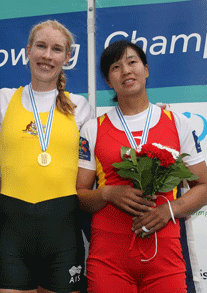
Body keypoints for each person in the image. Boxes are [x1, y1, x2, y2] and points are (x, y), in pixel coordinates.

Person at [76, 40, 207, 293]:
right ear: (108, 80)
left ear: (146, 70)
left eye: (132, 62)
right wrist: (107, 193)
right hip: (109, 261)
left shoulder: (177, 122)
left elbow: (203, 185)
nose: (126, 70)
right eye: (116, 66)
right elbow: (79, 196)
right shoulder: (93, 129)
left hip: (165, 258)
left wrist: (169, 209)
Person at [0, 20, 94, 293]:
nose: (47, 55)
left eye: (57, 49)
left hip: (63, 236)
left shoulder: (80, 106)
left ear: (67, 57)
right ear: (28, 51)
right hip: (12, 234)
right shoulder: (4, 99)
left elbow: (92, 167)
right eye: (41, 46)